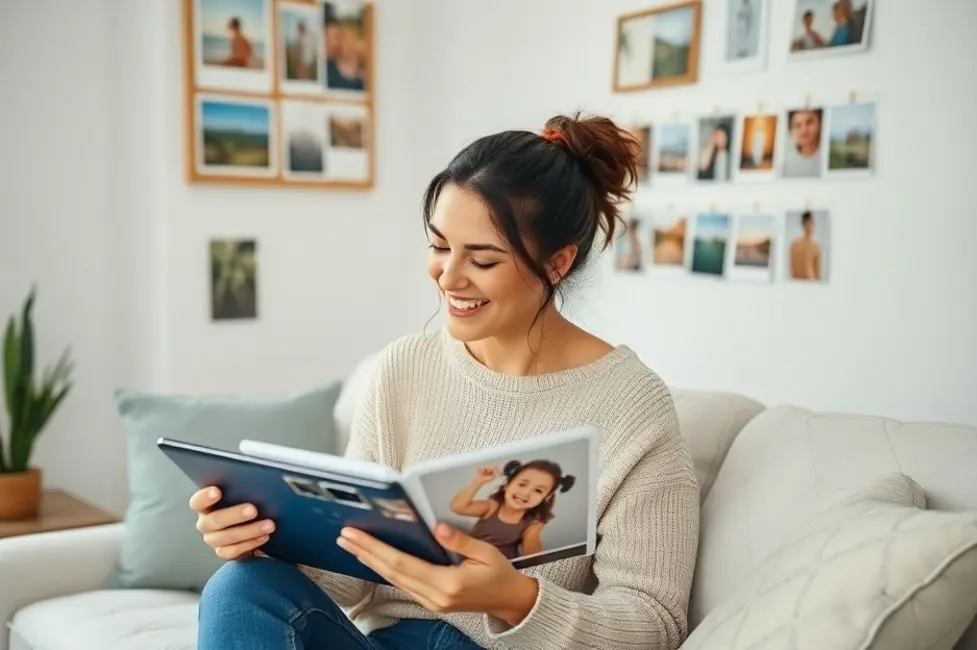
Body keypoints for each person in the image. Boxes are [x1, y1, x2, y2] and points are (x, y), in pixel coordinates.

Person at [190, 112, 700, 650]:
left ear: (557, 264)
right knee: (239, 588)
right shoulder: (402, 370)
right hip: (385, 642)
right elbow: (352, 579)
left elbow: (655, 624)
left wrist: (514, 598)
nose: (448, 277)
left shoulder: (632, 407)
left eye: (481, 260)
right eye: (439, 247)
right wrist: (260, 539)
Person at [450, 460, 576, 560]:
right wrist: (478, 481)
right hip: (470, 559)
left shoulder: (533, 523)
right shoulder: (492, 507)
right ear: (507, 484)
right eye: (522, 484)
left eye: (538, 490)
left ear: (546, 497)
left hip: (501, 569)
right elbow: (458, 507)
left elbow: (533, 557)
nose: (526, 493)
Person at [782, 108, 823, 178]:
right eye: (798, 125)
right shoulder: (787, 165)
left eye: (809, 122)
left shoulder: (828, 158)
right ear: (791, 131)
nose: (804, 130)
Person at [789, 211, 822, 280]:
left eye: (810, 223)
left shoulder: (816, 247)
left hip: (809, 284)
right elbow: (793, 271)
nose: (809, 226)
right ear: (803, 225)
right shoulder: (795, 245)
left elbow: (817, 274)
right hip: (804, 284)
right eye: (807, 223)